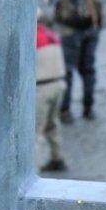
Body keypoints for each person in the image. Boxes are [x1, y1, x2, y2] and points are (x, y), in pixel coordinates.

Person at [35, 18, 68, 172]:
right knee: (53, 123)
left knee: (37, 130)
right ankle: (57, 158)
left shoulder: (33, 38)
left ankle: (32, 169)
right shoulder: (52, 36)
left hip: (42, 86)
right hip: (59, 84)